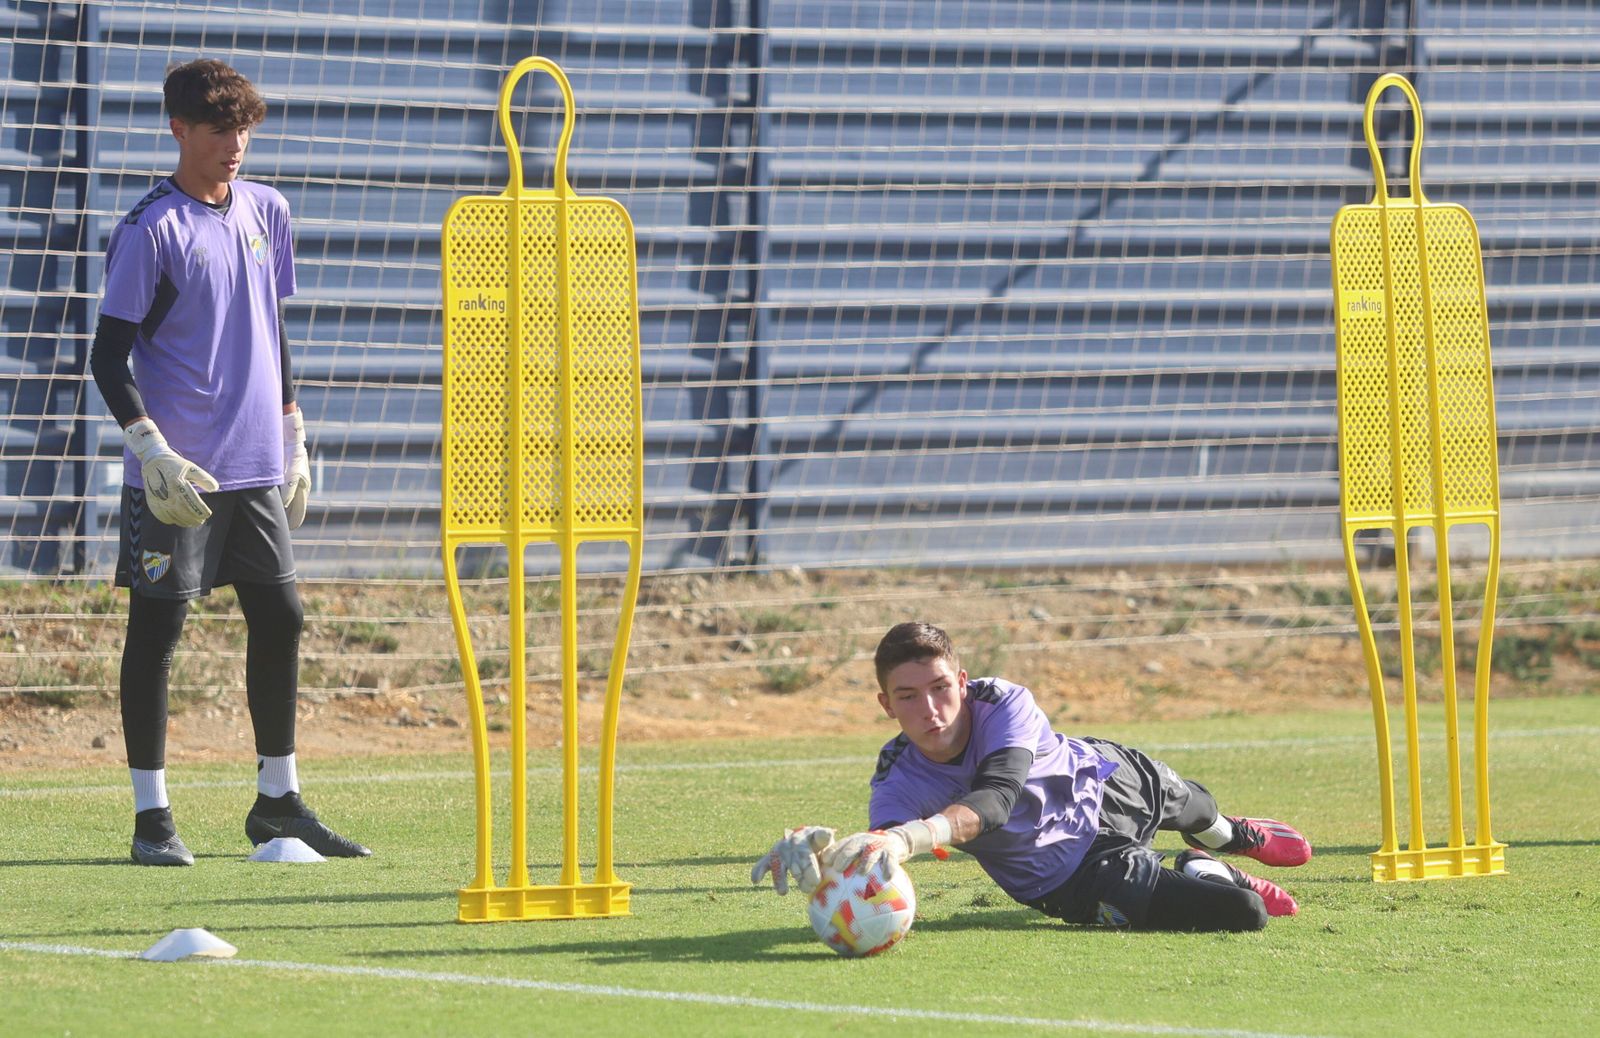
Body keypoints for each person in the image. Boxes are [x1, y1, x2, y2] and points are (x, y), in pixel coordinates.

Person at [89, 58, 369, 866]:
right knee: (159, 631)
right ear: (180, 130)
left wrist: (293, 431)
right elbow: (109, 359)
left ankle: (277, 803)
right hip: (182, 478)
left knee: (282, 617)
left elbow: (271, 325)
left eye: (244, 127)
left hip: (254, 468)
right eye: (219, 130)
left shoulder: (267, 210)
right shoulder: (151, 229)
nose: (235, 144)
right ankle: (153, 820)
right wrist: (151, 451)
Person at [752, 621, 1310, 931]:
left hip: (1102, 781)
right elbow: (887, 852)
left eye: (941, 688)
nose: (931, 709)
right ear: (885, 705)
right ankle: (1208, 869)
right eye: (907, 696)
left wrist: (901, 837)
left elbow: (995, 799)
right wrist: (823, 863)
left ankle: (1229, 837)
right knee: (1246, 915)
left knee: (1190, 803)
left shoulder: (1003, 701)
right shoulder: (896, 778)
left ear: (963, 682)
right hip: (1071, 876)